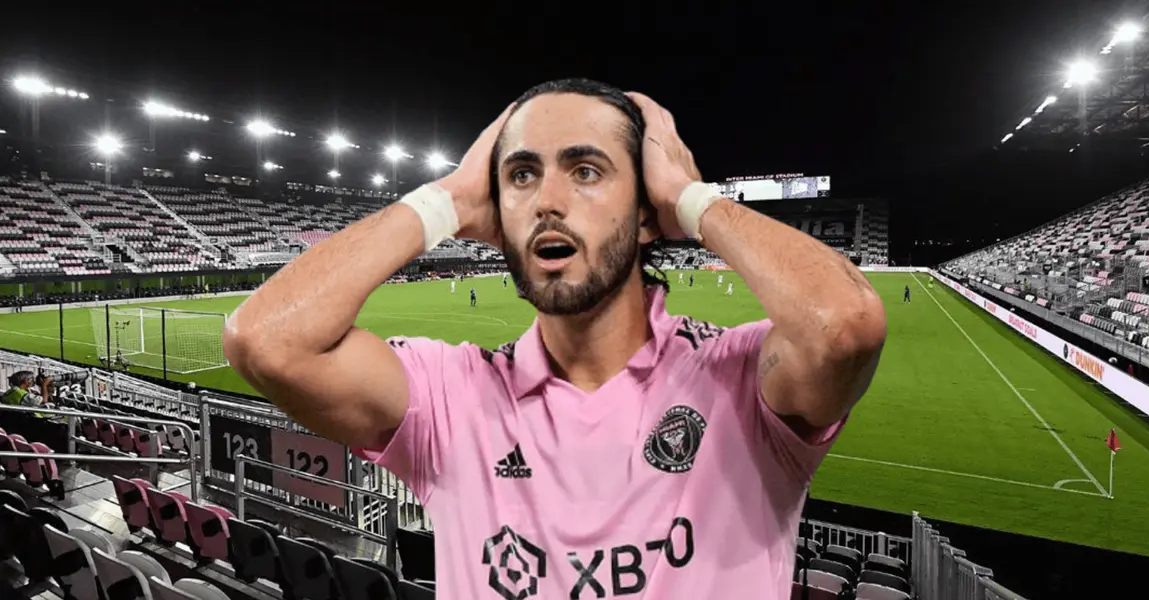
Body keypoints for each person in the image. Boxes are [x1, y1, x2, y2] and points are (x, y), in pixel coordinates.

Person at [223, 78, 886, 599]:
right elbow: (265, 340)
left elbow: (844, 327)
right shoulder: (450, 396)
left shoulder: (736, 380)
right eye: (521, 175)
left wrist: (689, 196)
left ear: (647, 214)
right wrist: (446, 199)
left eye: (586, 171)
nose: (546, 200)